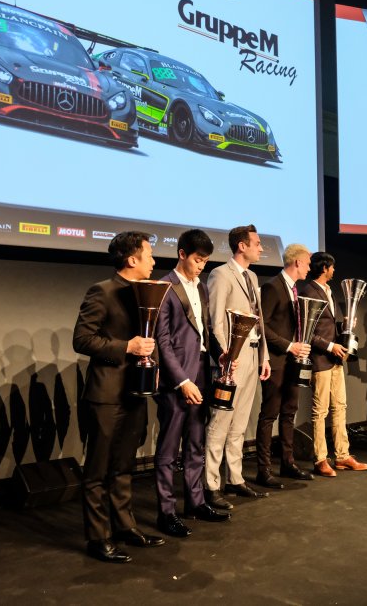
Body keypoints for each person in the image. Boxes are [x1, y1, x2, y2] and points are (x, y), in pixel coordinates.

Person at [72, 232, 165, 564]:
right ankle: (98, 537)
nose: (154, 261)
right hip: (107, 394)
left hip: (135, 390)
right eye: (149, 254)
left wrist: (152, 361)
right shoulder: (102, 291)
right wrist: (127, 346)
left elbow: (150, 337)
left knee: (124, 466)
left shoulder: (146, 291)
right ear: (132, 259)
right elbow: (82, 339)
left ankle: (125, 527)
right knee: (98, 469)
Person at [153, 229, 232, 537]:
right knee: (169, 448)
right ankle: (166, 512)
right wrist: (182, 380)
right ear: (182, 254)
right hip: (176, 379)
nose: (201, 266)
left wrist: (220, 354)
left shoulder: (201, 286)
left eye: (206, 261)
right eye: (198, 260)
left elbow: (206, 330)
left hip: (201, 370)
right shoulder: (164, 287)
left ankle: (196, 502)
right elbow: (162, 341)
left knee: (196, 441)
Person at [204, 224, 271, 509]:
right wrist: (227, 356)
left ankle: (235, 478)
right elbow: (215, 321)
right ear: (242, 246)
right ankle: (210, 484)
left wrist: (264, 357)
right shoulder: (221, 274)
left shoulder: (252, 276)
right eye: (257, 243)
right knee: (220, 421)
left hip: (253, 355)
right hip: (232, 360)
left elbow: (258, 321)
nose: (262, 248)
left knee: (241, 421)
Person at [297, 252, 367, 477]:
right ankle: (320, 459)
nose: (334, 270)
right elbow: (307, 331)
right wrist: (330, 346)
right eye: (332, 267)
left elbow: (328, 327)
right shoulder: (308, 291)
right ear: (325, 268)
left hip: (335, 359)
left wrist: (344, 325)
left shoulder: (328, 290)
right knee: (320, 411)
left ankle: (342, 455)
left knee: (340, 406)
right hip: (321, 359)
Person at [255, 243, 315, 489]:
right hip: (277, 361)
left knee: (290, 412)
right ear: (297, 262)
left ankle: (288, 463)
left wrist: (299, 346)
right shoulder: (272, 287)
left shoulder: (294, 290)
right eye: (308, 263)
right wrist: (289, 346)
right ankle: (263, 470)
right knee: (269, 414)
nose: (309, 268)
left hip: (293, 363)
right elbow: (262, 326)